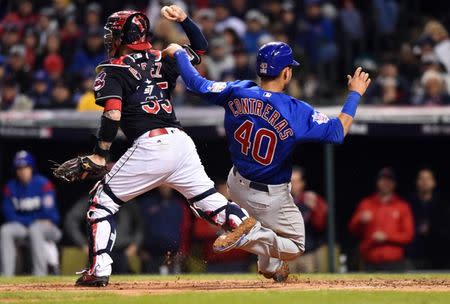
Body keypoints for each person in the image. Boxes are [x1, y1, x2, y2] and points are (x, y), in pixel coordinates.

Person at [69, 6, 257, 287]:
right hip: (180, 143)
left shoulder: (112, 69)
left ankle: (99, 270)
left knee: (101, 203)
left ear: (122, 35)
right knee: (212, 205)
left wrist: (100, 154)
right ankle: (272, 251)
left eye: (112, 33)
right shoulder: (164, 57)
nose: (109, 39)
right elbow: (201, 49)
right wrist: (184, 21)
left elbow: (112, 114)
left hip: (151, 144)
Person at [165, 40, 371, 281]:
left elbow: (195, 83)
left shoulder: (237, 90)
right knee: (295, 245)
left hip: (237, 184)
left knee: (271, 230)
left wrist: (179, 53)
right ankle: (248, 234)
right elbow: (338, 132)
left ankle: (270, 265)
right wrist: (355, 94)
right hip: (269, 196)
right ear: (286, 72)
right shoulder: (295, 109)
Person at [1, 151, 61, 276]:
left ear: (32, 168)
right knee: (5, 230)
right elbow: (8, 214)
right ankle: (7, 276)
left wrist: (27, 220)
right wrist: (32, 220)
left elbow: (49, 214)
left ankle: (40, 275)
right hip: (26, 227)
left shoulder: (44, 184)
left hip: (50, 229)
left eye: (26, 167)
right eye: (19, 168)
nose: (23, 171)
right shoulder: (11, 187)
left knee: (35, 229)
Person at [349, 167, 414, 272]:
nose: (385, 183)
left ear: (394, 184)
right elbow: (352, 230)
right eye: (383, 180)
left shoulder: (402, 206)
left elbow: (408, 235)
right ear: (377, 182)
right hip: (370, 260)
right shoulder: (366, 204)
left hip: (394, 262)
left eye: (389, 180)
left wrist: (387, 237)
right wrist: (360, 220)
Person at [64, 194, 143, 274]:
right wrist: (82, 243)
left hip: (122, 251)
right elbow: (71, 220)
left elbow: (140, 225)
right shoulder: (93, 198)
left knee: (123, 278)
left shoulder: (128, 200)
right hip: (97, 251)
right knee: (95, 279)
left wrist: (135, 244)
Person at [288, 167, 327, 273]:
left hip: (309, 253)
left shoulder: (312, 199)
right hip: (287, 254)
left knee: (311, 283)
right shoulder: (281, 201)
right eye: (291, 181)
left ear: (303, 183)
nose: (293, 185)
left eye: (297, 181)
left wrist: (315, 209)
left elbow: (321, 226)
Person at [407, 168, 441, 269]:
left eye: (428, 179)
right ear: (417, 182)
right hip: (414, 255)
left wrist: (432, 229)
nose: (425, 182)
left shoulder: (443, 205)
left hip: (439, 255)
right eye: (422, 179)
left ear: (434, 182)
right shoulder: (408, 203)